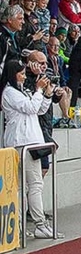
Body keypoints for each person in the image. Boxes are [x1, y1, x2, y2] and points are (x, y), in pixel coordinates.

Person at [1, 60, 57, 239]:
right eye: (22, 73)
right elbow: (31, 106)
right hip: (21, 142)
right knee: (31, 185)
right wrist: (39, 90)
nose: (25, 77)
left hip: (29, 141)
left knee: (27, 186)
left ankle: (21, 225)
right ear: (13, 73)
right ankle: (38, 224)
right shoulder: (9, 92)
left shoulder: (20, 91)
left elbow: (39, 110)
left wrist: (47, 95)